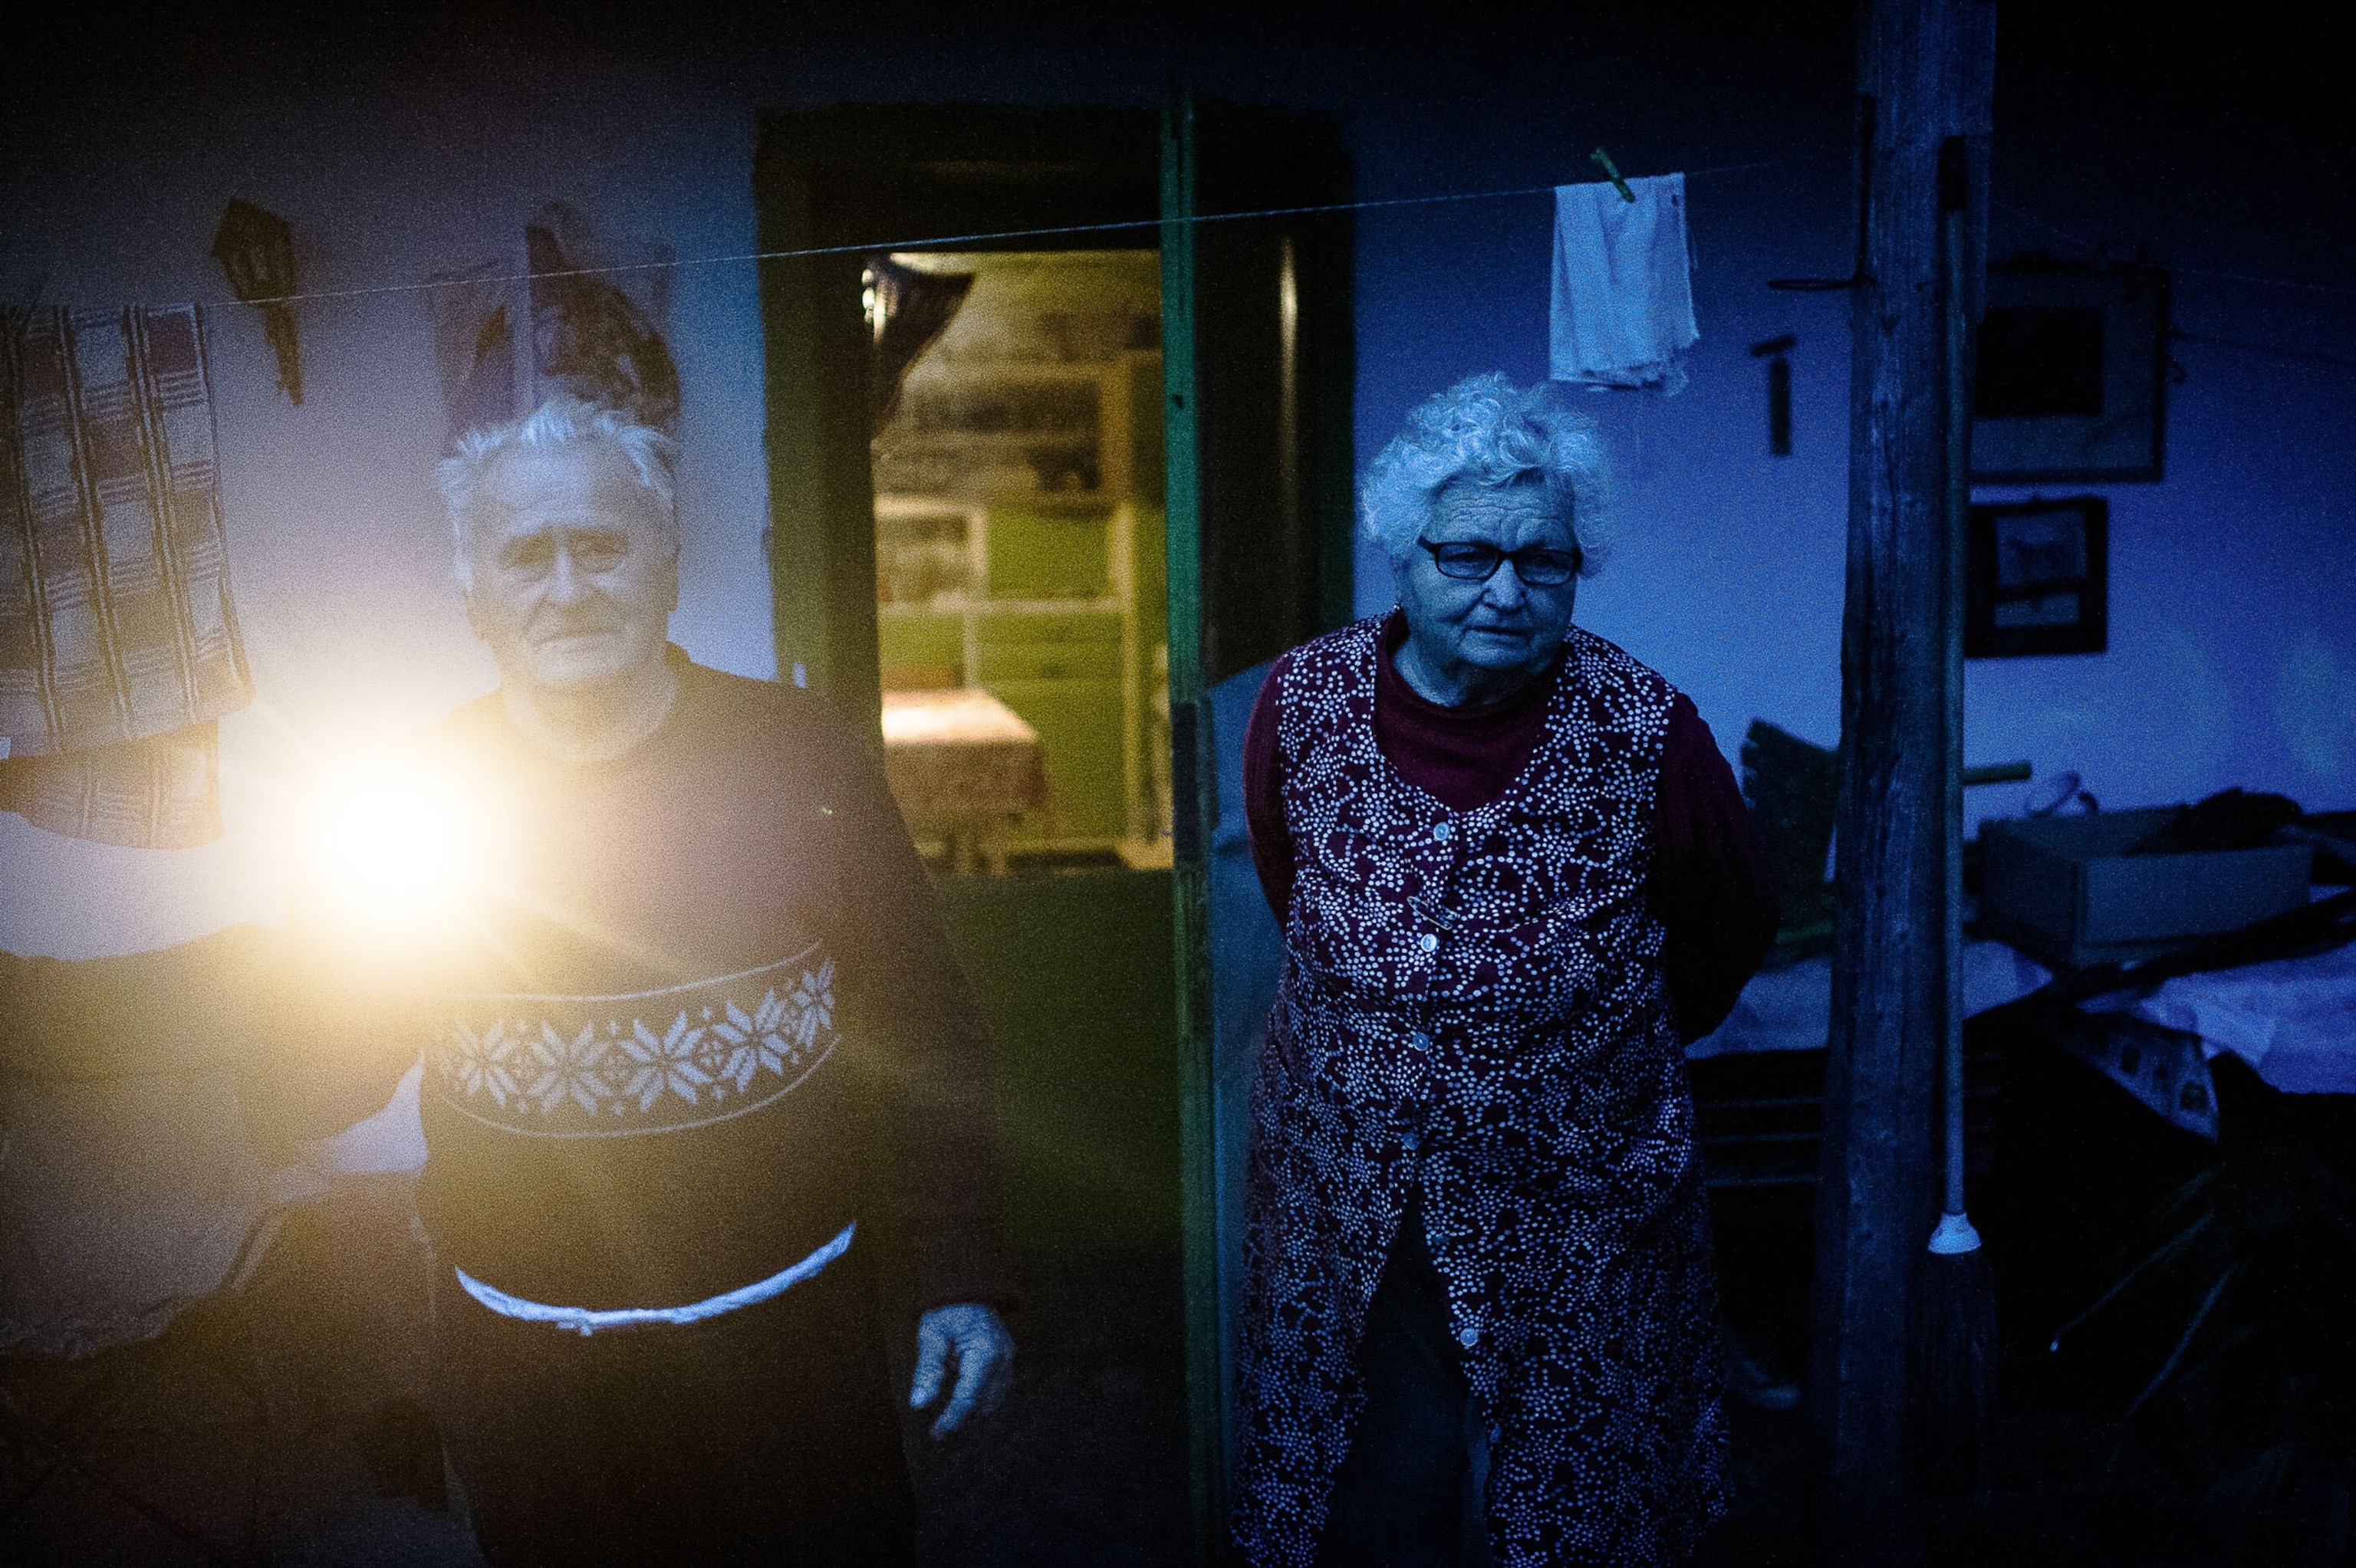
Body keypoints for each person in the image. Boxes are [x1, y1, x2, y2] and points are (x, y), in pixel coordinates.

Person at [246, 396, 1015, 1564]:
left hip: (792, 1357)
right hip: (529, 1380)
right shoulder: (412, 797)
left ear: (666, 565)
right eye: (525, 554)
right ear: (475, 599)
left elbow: (925, 1023)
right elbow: (314, 1086)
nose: (567, 586)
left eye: (601, 545)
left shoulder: (798, 752)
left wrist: (962, 1271)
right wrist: (331, 936)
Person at [1236, 374, 1777, 1567]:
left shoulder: (1643, 726)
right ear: (1403, 553)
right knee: (1380, 1488)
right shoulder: (1305, 703)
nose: (1506, 589)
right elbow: (1295, 893)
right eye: (1469, 553)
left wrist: (1573, 1061)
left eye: (1545, 561)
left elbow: (1732, 920)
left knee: (1580, 1504)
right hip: (1348, 1195)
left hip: (1585, 1203)